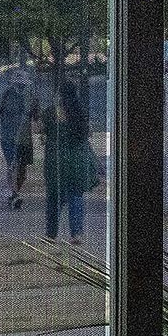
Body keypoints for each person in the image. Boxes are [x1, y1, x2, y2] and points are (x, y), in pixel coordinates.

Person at [38, 73, 95, 244]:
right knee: (75, 197)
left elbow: (39, 130)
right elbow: (88, 133)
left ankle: (51, 234)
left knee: (54, 198)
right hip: (76, 161)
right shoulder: (80, 112)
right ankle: (76, 234)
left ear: (59, 95)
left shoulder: (50, 112)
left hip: (56, 161)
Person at [0, 68, 34, 209]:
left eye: (23, 84)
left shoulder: (31, 97)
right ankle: (14, 194)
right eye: (18, 84)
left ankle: (14, 193)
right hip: (8, 137)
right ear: (13, 83)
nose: (21, 87)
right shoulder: (4, 95)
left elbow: (37, 118)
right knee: (13, 165)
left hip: (25, 138)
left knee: (22, 171)